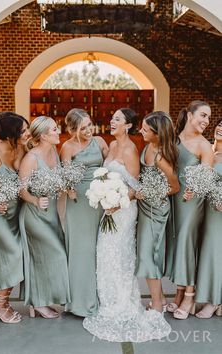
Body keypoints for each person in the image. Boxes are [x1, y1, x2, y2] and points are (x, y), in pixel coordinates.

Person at [83, 108, 171, 342]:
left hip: (123, 210)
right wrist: (102, 195)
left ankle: (123, 302)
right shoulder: (111, 146)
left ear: (128, 125)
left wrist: (117, 201)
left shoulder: (132, 150)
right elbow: (104, 176)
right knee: (104, 252)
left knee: (120, 254)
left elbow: (135, 187)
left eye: (117, 120)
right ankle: (108, 300)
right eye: (111, 118)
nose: (112, 122)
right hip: (109, 208)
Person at [19, 116, 70, 318]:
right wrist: (35, 201)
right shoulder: (31, 158)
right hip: (34, 215)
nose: (58, 132)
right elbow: (22, 190)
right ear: (43, 136)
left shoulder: (55, 154)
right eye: (54, 130)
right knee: (51, 255)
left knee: (49, 257)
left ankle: (40, 301)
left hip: (52, 215)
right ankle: (38, 303)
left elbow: (56, 183)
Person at [167, 100, 214, 319]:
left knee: (187, 242)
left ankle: (189, 297)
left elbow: (206, 179)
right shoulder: (174, 139)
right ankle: (178, 293)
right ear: (189, 115)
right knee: (177, 242)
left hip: (192, 202)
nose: (206, 121)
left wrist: (193, 191)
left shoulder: (204, 145)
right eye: (203, 115)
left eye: (208, 118)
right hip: (174, 199)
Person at [60, 108, 108, 317]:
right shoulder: (67, 147)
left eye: (90, 125)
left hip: (101, 199)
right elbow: (65, 176)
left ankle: (102, 296)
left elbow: (112, 167)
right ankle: (79, 302)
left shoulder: (100, 142)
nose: (89, 130)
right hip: (79, 201)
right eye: (83, 127)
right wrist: (68, 188)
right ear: (72, 128)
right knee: (82, 249)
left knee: (100, 248)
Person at [0, 112, 30, 323]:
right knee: (14, 252)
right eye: (23, 130)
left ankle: (1, 303)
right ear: (11, 133)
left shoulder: (21, 148)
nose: (27, 133)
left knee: (6, 256)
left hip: (14, 213)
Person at [135, 111, 179, 313]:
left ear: (157, 133)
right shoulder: (148, 146)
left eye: (145, 129)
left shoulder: (161, 157)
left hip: (156, 210)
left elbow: (175, 187)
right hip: (144, 208)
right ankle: (157, 298)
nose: (141, 131)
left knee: (147, 255)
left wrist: (152, 192)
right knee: (146, 254)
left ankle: (158, 305)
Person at [195, 118, 222, 318]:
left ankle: (214, 301)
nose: (220, 128)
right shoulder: (207, 151)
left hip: (218, 212)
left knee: (214, 254)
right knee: (207, 254)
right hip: (202, 209)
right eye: (220, 125)